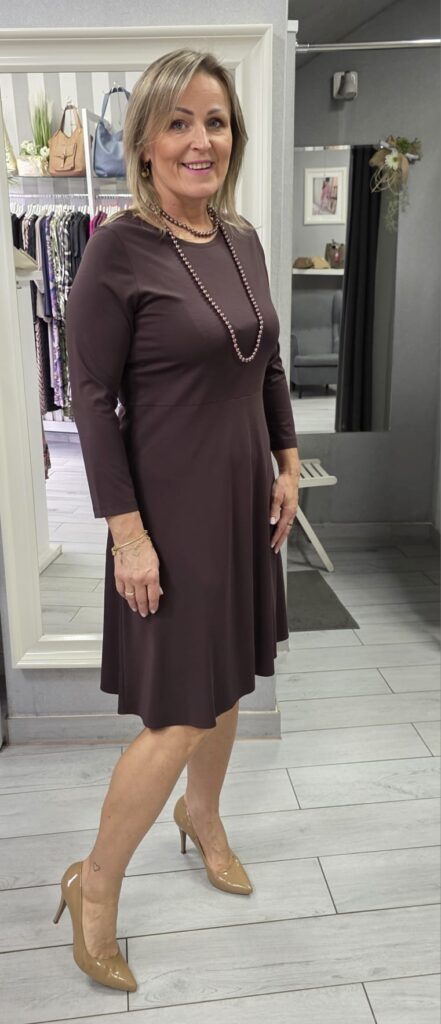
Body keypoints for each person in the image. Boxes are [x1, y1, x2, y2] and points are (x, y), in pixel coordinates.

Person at [56, 48, 300, 993]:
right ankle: (94, 883)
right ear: (146, 142)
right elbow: (89, 400)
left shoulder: (240, 238)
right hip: (168, 512)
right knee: (178, 713)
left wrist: (285, 461)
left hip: (242, 497)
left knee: (228, 681)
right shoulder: (118, 248)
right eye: (180, 122)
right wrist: (127, 533)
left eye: (217, 122)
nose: (202, 140)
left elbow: (265, 360)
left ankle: (201, 817)